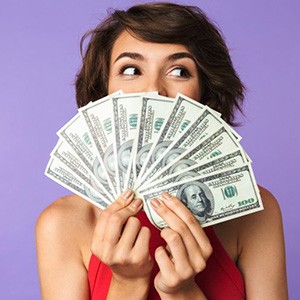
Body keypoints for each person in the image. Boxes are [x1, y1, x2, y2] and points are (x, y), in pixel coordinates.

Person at [36, 2, 288, 299]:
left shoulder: (255, 213)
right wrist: (127, 283)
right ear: (103, 90)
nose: (153, 90)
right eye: (131, 70)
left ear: (205, 94)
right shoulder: (62, 225)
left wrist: (183, 292)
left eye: (179, 71)